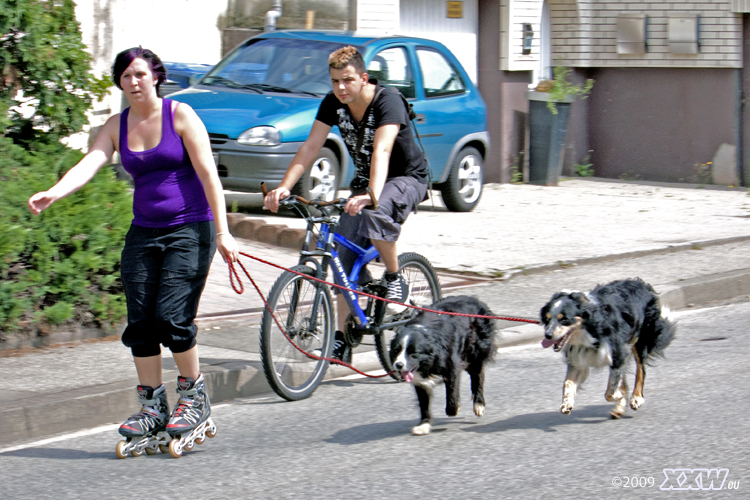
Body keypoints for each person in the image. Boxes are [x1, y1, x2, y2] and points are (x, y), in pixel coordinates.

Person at [27, 47, 238, 443]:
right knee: (141, 322)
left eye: (140, 74)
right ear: (120, 82)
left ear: (155, 76)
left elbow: (209, 174)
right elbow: (90, 162)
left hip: (191, 229)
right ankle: (152, 406)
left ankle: (193, 396)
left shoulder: (181, 116)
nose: (134, 82)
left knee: (171, 316)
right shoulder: (115, 125)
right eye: (126, 76)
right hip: (144, 231)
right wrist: (54, 193)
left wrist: (224, 234)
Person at [264, 46, 429, 364]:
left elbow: (381, 150)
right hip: (367, 182)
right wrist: (284, 187)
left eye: (348, 80)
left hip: (406, 178)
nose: (341, 87)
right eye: (335, 81)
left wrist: (372, 194)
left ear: (363, 78)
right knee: (340, 255)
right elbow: (311, 146)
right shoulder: (333, 103)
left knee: (376, 210)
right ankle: (343, 337)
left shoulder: (387, 100)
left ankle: (394, 278)